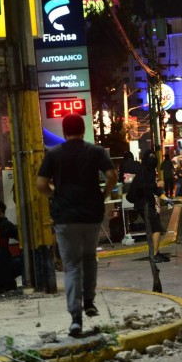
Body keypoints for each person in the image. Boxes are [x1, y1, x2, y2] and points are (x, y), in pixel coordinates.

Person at [36, 113, 118, 336]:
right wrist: (103, 194)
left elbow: (41, 183)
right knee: (90, 257)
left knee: (71, 265)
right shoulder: (96, 152)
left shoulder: (54, 154)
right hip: (91, 214)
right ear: (83, 130)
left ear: (64, 132)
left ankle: (75, 319)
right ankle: (89, 301)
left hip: (65, 217)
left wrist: (55, 193)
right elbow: (112, 175)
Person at [127, 149, 173, 263]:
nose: (153, 160)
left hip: (149, 203)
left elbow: (154, 189)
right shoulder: (142, 170)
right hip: (144, 204)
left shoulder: (151, 171)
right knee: (156, 228)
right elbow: (140, 186)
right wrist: (155, 184)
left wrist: (165, 198)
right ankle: (154, 255)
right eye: (151, 157)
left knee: (155, 228)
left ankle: (155, 253)